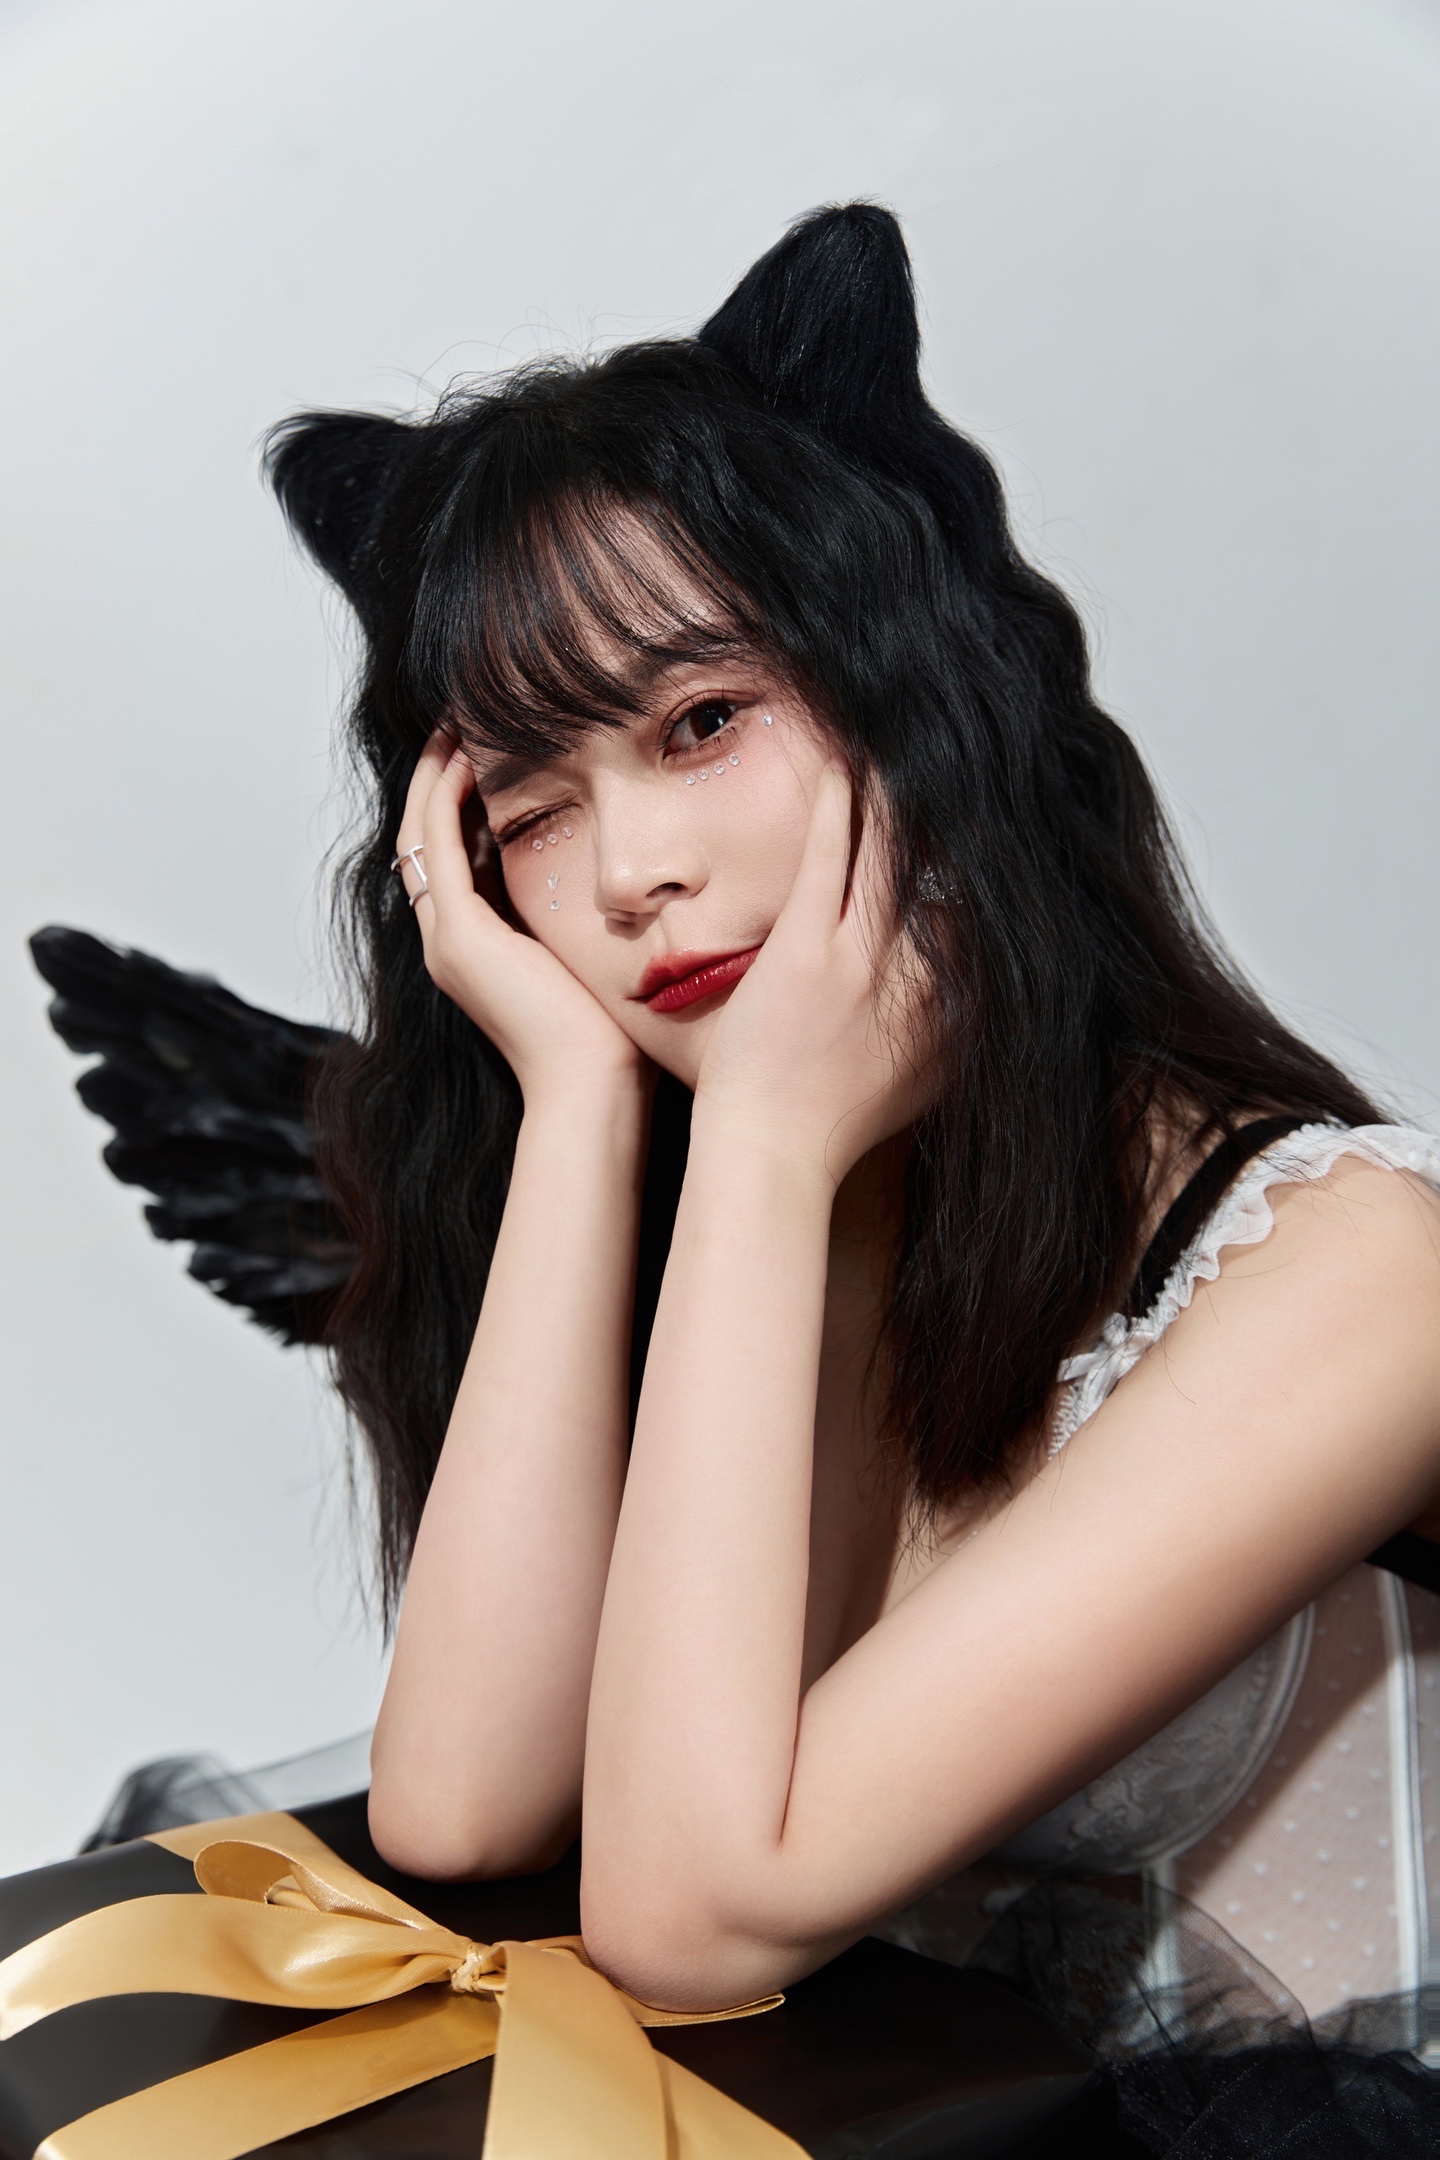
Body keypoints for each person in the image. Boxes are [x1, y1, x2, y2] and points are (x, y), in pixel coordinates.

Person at [263, 205, 1440, 2142]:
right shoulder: (761, 1221)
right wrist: (572, 1098)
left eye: (703, 721)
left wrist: (766, 1130)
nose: (630, 873)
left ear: (925, 697)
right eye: (534, 811)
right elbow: (462, 1807)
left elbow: (691, 1919)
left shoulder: (1361, 1262)